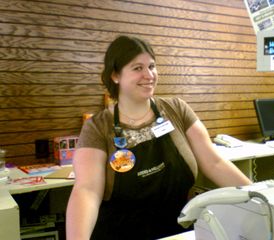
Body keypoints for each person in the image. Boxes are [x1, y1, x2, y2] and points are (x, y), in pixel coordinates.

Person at [66, 35, 252, 240]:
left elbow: (214, 162)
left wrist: (259, 197)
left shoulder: (177, 110)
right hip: (121, 233)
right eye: (137, 68)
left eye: (152, 66)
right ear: (115, 75)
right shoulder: (98, 127)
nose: (149, 75)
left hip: (180, 231)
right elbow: (87, 191)